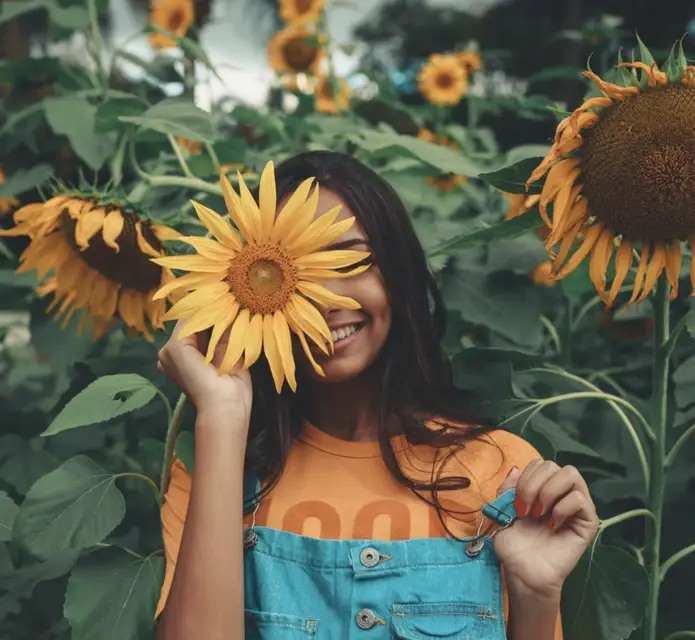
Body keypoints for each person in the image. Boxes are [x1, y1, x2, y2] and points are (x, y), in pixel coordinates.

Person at [155, 151, 598, 640]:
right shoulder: (214, 474)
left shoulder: (500, 471)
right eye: (290, 274)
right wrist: (219, 414)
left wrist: (535, 598)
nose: (327, 301)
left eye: (352, 260)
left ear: (398, 270)